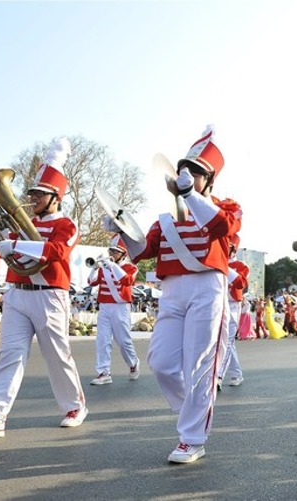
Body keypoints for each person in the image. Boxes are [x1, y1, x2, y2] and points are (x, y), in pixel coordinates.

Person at [105, 125, 241, 463]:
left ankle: (192, 437)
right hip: (172, 290)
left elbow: (223, 228)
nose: (187, 176)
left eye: (196, 172)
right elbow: (141, 251)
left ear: (209, 180)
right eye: (184, 170)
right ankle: (193, 414)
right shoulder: (165, 219)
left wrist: (192, 196)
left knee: (199, 364)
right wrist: (121, 229)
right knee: (162, 363)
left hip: (207, 286)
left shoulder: (227, 206)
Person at [0, 138, 88, 438]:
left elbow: (57, 252)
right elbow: (7, 252)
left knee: (57, 356)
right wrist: (2, 245)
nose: (32, 198)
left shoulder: (67, 224)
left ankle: (74, 406)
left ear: (56, 197)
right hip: (17, 292)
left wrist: (15, 243)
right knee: (10, 355)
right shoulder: (23, 223)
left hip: (50, 295)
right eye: (31, 192)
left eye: (40, 194)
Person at [87, 235, 141, 385]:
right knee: (102, 340)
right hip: (104, 307)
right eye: (111, 250)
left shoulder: (131, 267)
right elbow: (91, 282)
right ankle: (104, 372)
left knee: (123, 341)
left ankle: (133, 363)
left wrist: (112, 266)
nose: (112, 254)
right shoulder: (104, 266)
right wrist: (94, 269)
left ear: (124, 254)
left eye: (116, 252)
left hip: (120, 307)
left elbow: (127, 281)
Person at [217, 234, 249, 390]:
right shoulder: (214, 261)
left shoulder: (241, 265)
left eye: (228, 246)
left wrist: (223, 264)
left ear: (233, 248)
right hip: (217, 304)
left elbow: (240, 284)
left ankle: (218, 376)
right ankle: (236, 373)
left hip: (233, 305)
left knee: (227, 341)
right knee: (226, 342)